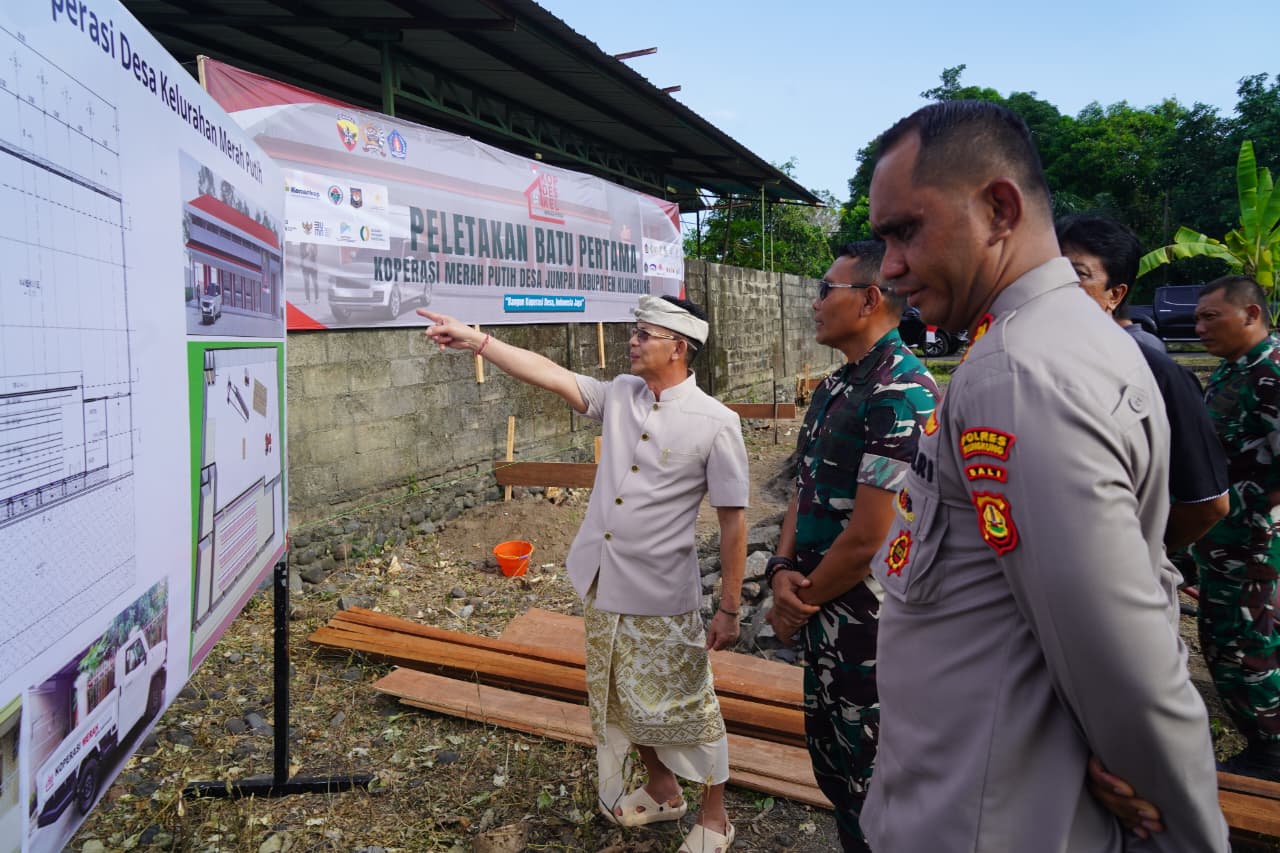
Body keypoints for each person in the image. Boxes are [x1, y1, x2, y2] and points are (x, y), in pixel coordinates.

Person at [861, 100, 1228, 851]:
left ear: (999, 209)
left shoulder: (1019, 373)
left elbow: (1120, 655)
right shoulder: (1063, 339)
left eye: (905, 231)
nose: (890, 266)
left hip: (983, 815)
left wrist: (1183, 828)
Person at [418, 296, 747, 853]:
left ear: (679, 347)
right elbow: (549, 373)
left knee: (688, 703)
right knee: (618, 695)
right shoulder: (621, 395)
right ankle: (663, 789)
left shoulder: (717, 423)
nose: (632, 341)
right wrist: (478, 340)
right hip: (603, 580)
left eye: (644, 333)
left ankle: (715, 817)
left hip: (663, 593)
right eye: (635, 331)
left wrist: (730, 607)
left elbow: (734, 523)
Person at [763, 240, 937, 851]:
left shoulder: (902, 392)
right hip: (822, 614)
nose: (814, 304)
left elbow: (871, 535)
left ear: (868, 300)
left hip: (869, 629)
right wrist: (781, 567)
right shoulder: (835, 386)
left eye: (824, 290)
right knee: (835, 770)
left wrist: (796, 603)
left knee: (879, 784)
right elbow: (804, 486)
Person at [1057, 214, 1228, 549]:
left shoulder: (1158, 374)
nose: (1054, 287)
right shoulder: (1019, 365)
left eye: (1077, 276)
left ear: (1114, 294)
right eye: (1048, 273)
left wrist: (1141, 554)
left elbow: (1208, 505)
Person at [1191, 274, 1280, 781]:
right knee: (1223, 643)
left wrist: (1264, 535)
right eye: (1197, 318)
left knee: (1250, 648)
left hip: (1256, 548)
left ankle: (1271, 754)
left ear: (1250, 314)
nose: (1199, 327)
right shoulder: (1232, 371)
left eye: (1211, 317)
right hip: (1224, 544)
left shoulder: (1272, 373)